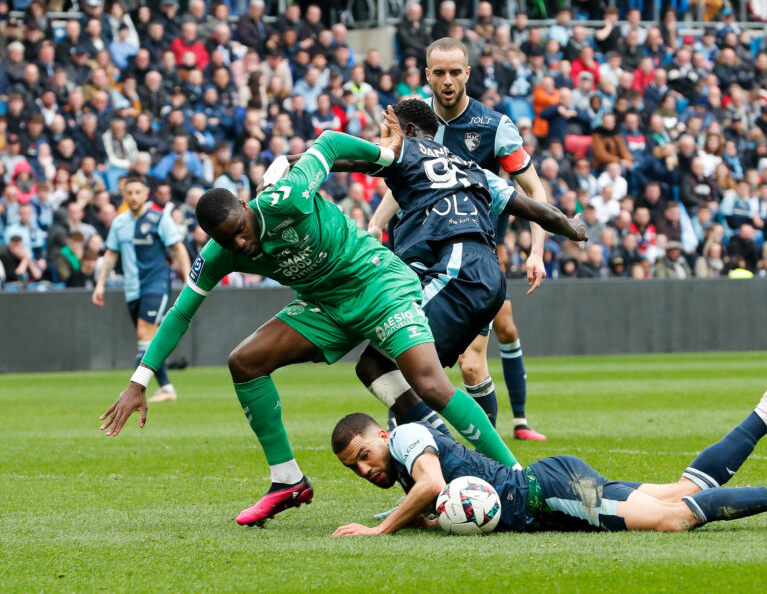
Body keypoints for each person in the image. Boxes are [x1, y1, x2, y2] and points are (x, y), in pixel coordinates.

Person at [98, 124, 521, 527]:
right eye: (228, 241)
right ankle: (288, 480)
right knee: (245, 362)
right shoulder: (219, 254)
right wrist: (140, 380)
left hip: (376, 284)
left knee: (429, 383)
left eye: (241, 232)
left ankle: (515, 476)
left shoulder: (287, 197)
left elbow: (331, 143)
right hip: (326, 306)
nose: (242, 245)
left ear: (246, 208)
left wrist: (388, 156)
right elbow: (180, 312)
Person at [333, 99, 585, 454]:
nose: (383, 139)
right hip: (478, 273)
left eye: (388, 131)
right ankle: (464, 464)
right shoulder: (470, 168)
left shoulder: (405, 155)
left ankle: (470, 460)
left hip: (459, 271)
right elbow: (534, 207)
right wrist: (571, 229)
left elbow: (347, 157)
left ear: (405, 132)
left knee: (388, 363)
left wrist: (297, 164)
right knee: (432, 367)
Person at [330, 382, 767, 536]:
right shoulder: (399, 460)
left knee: (672, 520)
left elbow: (430, 485)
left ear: (379, 433)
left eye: (363, 454)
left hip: (550, 493)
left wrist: (382, 530)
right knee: (686, 491)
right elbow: (428, 496)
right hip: (552, 486)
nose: (365, 468)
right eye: (355, 467)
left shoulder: (405, 437)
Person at [418, 37, 551, 440]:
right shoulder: (414, 122)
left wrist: (537, 251)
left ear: (467, 74)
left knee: (474, 363)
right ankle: (420, 451)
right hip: (421, 257)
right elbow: (396, 183)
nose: (447, 80)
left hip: (475, 258)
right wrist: (375, 224)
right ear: (427, 75)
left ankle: (500, 444)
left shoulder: (493, 127)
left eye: (455, 72)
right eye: (439, 73)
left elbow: (535, 192)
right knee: (412, 358)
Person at [93, 178, 191, 401]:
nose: (134, 197)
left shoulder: (160, 219)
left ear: (146, 194)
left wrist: (187, 277)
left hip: (156, 284)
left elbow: (178, 247)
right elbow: (110, 254)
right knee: (150, 339)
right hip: (132, 289)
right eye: (130, 193)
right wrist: (100, 284)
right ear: (124, 195)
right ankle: (166, 387)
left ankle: (134, 390)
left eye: (138, 192)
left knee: (143, 333)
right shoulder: (119, 223)